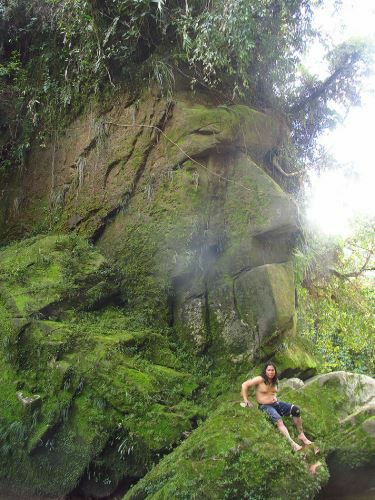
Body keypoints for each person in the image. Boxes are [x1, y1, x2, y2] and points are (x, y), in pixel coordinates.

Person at [241, 362, 312, 452]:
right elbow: (244, 385)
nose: (271, 372)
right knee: (279, 420)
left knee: (296, 410)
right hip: (264, 406)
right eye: (269, 370)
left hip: (276, 403)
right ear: (265, 371)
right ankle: (292, 444)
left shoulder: (275, 380)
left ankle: (302, 435)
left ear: (275, 371)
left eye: (272, 370)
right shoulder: (260, 379)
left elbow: (272, 393)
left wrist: (274, 398)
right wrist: (246, 400)